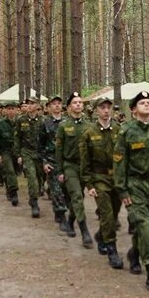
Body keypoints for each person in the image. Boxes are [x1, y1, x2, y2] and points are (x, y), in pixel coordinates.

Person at [113, 90, 149, 294]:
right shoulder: (126, 131)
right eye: (142, 103)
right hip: (134, 185)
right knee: (144, 225)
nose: (147, 105)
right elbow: (119, 162)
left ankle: (135, 252)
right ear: (134, 109)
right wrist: (122, 191)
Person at [80, 97, 123, 268]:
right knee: (107, 214)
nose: (106, 111)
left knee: (114, 212)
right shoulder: (89, 132)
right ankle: (112, 249)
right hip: (99, 179)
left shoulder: (119, 130)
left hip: (117, 179)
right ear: (96, 110)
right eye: (102, 108)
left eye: (108, 107)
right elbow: (85, 161)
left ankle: (101, 235)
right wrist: (89, 185)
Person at [55, 91, 93, 247]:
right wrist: (60, 171)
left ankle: (71, 220)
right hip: (70, 166)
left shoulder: (89, 125)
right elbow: (59, 150)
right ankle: (84, 231)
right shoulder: (64, 126)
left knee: (79, 198)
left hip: (85, 167)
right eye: (75, 103)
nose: (78, 104)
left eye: (80, 102)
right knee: (77, 195)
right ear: (69, 107)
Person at [40, 95, 70, 231]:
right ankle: (62, 215)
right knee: (56, 190)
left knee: (67, 191)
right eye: (54, 104)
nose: (57, 106)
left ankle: (60, 209)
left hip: (67, 161)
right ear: (49, 107)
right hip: (52, 161)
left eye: (59, 103)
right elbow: (40, 144)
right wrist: (44, 162)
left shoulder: (68, 122)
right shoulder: (45, 123)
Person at [14, 97, 44, 217]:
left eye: (33, 104)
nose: (30, 106)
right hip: (27, 152)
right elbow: (17, 138)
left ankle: (34, 196)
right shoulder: (21, 120)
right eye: (28, 104)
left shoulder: (43, 121)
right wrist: (18, 155)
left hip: (40, 153)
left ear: (37, 105)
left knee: (40, 178)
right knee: (32, 178)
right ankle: (35, 204)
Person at [0, 102, 20, 205]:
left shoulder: (20, 122)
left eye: (12, 109)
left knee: (13, 172)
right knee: (9, 170)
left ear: (16, 110)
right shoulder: (1, 123)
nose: (10, 111)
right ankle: (14, 193)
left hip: (17, 152)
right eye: (8, 109)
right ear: (5, 111)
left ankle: (9, 189)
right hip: (5, 151)